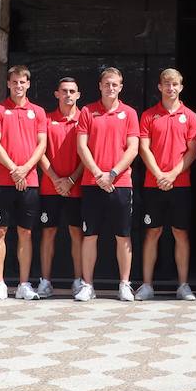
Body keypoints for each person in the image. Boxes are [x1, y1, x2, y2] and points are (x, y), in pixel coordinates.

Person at [73, 67, 140, 301]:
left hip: (120, 183)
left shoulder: (130, 113)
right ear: (100, 86)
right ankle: (87, 285)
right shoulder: (87, 112)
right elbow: (82, 146)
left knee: (123, 235)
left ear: (121, 87)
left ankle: (124, 284)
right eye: (107, 84)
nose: (111, 88)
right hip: (92, 182)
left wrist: (111, 173)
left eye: (115, 84)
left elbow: (133, 148)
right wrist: (98, 173)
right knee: (90, 235)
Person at [137, 68, 196, 301]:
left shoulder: (191, 116)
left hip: (180, 185)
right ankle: (146, 285)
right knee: (152, 232)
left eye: (175, 84)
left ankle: (183, 285)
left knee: (180, 233)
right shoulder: (148, 115)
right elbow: (144, 148)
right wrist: (159, 174)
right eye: (166, 84)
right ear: (159, 87)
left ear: (181, 87)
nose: (170, 88)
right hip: (153, 185)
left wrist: (172, 174)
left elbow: (193, 151)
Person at [0, 65, 47, 299]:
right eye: (14, 82)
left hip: (29, 181)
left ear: (28, 84)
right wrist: (14, 170)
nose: (18, 86)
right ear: (8, 84)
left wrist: (24, 170)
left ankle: (23, 284)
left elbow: (42, 144)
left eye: (23, 82)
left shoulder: (38, 112)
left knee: (26, 233)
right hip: (4, 181)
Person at [36, 77, 83, 299]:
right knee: (49, 232)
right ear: (56, 94)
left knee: (77, 233)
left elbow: (88, 155)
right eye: (64, 91)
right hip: (49, 186)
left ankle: (79, 281)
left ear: (78, 95)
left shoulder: (85, 118)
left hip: (77, 187)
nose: (68, 95)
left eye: (72, 91)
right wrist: (56, 179)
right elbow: (40, 151)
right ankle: (45, 281)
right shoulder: (46, 119)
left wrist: (71, 180)